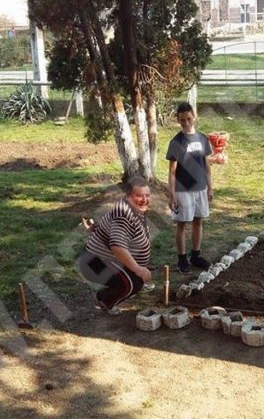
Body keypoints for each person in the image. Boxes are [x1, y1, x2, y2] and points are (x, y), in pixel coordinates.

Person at [78, 177, 153, 315]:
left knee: (136, 278)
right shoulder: (123, 216)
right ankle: (104, 299)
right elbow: (117, 247)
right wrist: (137, 269)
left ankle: (126, 280)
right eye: (139, 195)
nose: (144, 199)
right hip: (94, 263)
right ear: (128, 196)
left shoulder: (133, 207)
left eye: (147, 195)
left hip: (106, 259)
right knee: (131, 284)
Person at [166, 102, 214, 274]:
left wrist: (210, 188)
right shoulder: (176, 142)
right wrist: (171, 195)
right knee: (182, 224)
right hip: (182, 190)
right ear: (178, 121)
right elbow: (172, 171)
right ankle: (182, 259)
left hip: (200, 188)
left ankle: (196, 255)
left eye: (188, 119)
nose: (186, 123)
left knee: (198, 221)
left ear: (194, 117)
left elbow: (207, 165)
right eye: (182, 120)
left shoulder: (202, 139)